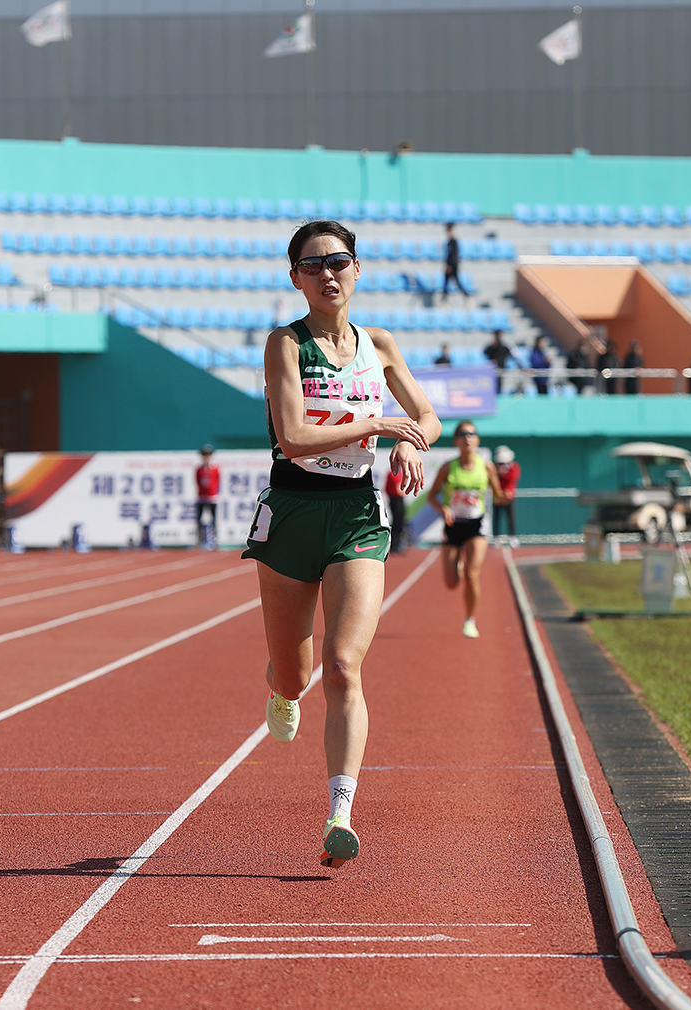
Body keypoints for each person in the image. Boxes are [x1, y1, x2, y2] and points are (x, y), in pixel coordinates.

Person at [242, 220, 441, 869]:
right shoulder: (285, 344)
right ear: (295, 276)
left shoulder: (378, 344)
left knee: (345, 664)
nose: (329, 273)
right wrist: (379, 422)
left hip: (356, 514)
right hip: (293, 512)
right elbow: (294, 436)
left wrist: (412, 440)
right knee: (296, 673)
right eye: (313, 263)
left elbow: (427, 415)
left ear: (357, 270)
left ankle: (340, 812)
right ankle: (279, 688)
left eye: (339, 260)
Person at [427, 420, 504, 639]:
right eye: (462, 434)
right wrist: (443, 508)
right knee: (451, 583)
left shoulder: (486, 467)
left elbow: (497, 494)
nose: (467, 437)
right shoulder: (447, 467)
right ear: (456, 441)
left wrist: (502, 497)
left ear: (477, 440)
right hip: (453, 526)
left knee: (472, 574)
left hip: (476, 525)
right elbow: (432, 496)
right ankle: (458, 566)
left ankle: (470, 620)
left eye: (472, 434)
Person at [493, 445, 521, 547]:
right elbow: (493, 480)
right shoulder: (496, 468)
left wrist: (507, 492)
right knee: (497, 517)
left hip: (509, 496)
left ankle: (513, 538)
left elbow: (512, 479)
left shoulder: (514, 467)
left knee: (510, 518)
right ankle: (496, 537)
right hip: (498, 496)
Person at [195, 445, 220, 547]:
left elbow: (217, 481)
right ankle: (199, 538)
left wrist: (214, 493)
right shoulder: (200, 469)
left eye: (208, 454)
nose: (206, 457)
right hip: (202, 497)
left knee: (214, 518)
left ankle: (214, 538)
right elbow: (197, 481)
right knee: (199, 518)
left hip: (212, 497)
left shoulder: (214, 468)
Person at [385, 465, 407, 553]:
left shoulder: (400, 473)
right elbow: (391, 488)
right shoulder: (392, 474)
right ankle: (394, 545)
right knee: (396, 522)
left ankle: (398, 544)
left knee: (400, 522)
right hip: (395, 499)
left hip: (400, 499)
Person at [442, 223, 467, 300]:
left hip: (453, 265)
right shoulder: (449, 242)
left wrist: (450, 266)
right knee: (446, 283)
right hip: (449, 265)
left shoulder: (454, 242)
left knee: (457, 282)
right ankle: (444, 300)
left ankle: (467, 296)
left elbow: (454, 255)